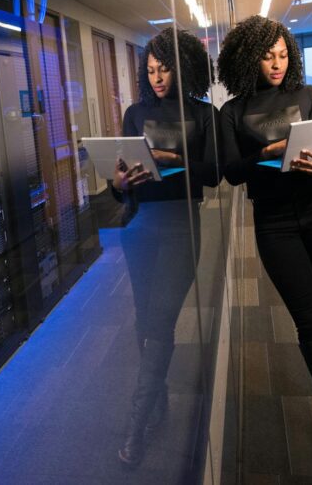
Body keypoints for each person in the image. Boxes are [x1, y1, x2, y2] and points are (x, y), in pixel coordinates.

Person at [216, 15, 312, 476]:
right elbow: (231, 171)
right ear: (249, 57)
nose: (278, 63)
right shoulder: (233, 111)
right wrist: (264, 154)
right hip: (275, 223)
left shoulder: (309, 96)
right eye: (268, 56)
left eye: (284, 54)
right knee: (309, 322)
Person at [110, 27, 219, 467]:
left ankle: (137, 424)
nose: (157, 77)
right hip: (140, 226)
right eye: (151, 70)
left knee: (160, 318)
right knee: (145, 319)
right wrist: (118, 184)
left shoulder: (203, 113)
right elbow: (122, 185)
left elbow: (213, 175)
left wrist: (176, 160)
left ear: (183, 66)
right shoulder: (135, 113)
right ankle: (157, 401)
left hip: (180, 227)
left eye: (165, 68)